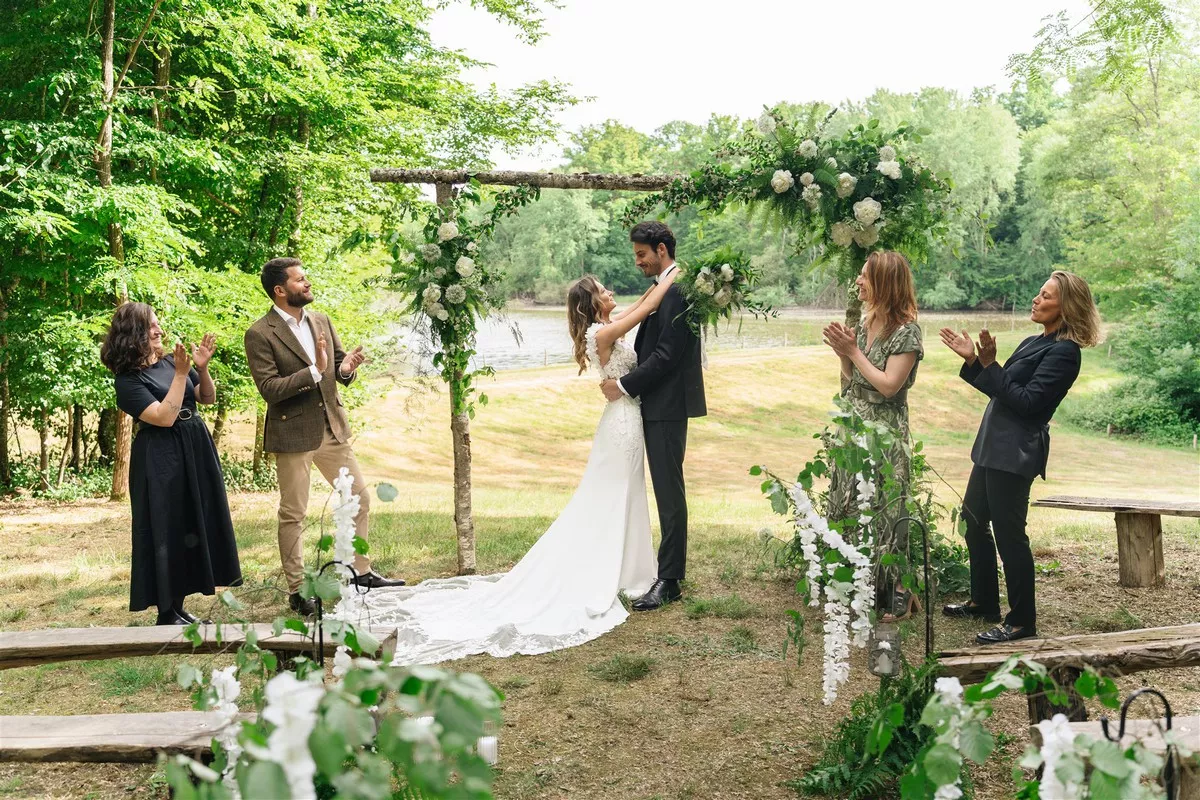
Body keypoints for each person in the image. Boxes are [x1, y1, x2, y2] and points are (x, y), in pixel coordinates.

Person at [331, 271, 680, 663]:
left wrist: (661, 279)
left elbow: (638, 305)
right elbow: (646, 307)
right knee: (610, 498)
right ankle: (609, 571)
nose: (612, 293)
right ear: (592, 303)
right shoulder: (602, 335)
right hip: (621, 426)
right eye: (603, 291)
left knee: (625, 495)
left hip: (624, 420)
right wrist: (675, 276)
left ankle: (628, 570)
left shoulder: (605, 328)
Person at [940, 270, 1101, 644]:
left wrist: (991, 365)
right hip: (991, 447)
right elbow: (1003, 390)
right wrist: (976, 362)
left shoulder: (1064, 353)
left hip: (1015, 454)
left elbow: (1028, 404)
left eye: (1046, 296)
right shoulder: (1033, 341)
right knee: (973, 519)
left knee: (1010, 535)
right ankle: (983, 601)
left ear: (1067, 306)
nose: (1036, 299)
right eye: (1039, 293)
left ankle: (1022, 621)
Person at [244, 257, 404, 617]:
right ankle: (298, 591)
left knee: (360, 498)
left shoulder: (321, 320)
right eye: (301, 280)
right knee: (294, 514)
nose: (308, 284)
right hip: (293, 432)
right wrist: (313, 371)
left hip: (332, 428)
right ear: (280, 290)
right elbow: (269, 389)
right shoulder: (260, 333)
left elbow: (338, 366)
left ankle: (360, 573)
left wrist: (345, 370)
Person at [100, 303, 242, 625]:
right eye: (152, 326)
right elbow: (164, 417)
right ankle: (166, 612)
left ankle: (178, 608)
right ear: (135, 332)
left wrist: (201, 369)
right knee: (168, 526)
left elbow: (206, 398)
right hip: (161, 456)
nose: (159, 330)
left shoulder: (168, 362)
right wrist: (180, 374)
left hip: (194, 445)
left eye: (158, 324)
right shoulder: (127, 381)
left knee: (193, 521)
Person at [599, 221, 706, 610]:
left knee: (668, 491)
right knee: (653, 489)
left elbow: (667, 355)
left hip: (666, 404)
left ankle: (671, 579)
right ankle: (643, 567)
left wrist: (624, 386)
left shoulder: (677, 288)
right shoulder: (666, 285)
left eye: (642, 254)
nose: (638, 262)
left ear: (661, 250)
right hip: (653, 404)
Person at [822, 251, 923, 621]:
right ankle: (854, 578)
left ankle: (898, 588)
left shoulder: (906, 331)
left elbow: (888, 386)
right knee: (849, 499)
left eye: (865, 276)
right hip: (855, 423)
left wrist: (851, 350)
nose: (858, 282)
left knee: (888, 504)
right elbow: (853, 383)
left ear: (885, 283)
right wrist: (843, 356)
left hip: (886, 431)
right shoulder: (866, 322)